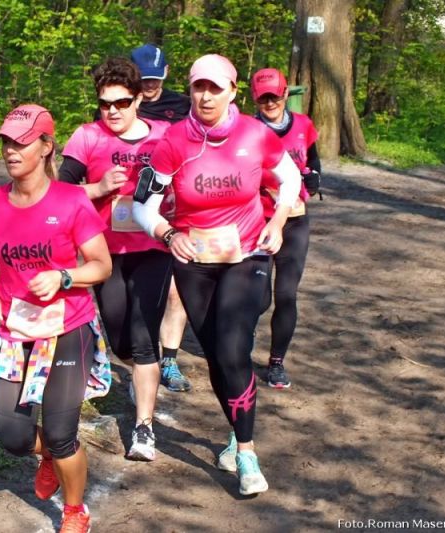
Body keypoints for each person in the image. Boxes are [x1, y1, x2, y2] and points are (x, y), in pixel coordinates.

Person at [133, 54, 301, 495]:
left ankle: (246, 453)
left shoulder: (255, 133)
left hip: (247, 255)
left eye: (215, 88)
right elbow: (143, 205)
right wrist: (168, 233)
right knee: (215, 355)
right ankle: (236, 431)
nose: (205, 96)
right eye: (198, 87)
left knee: (232, 347)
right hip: (194, 260)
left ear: (232, 91)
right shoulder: (173, 141)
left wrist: (277, 220)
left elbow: (290, 179)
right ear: (190, 90)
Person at [0, 104, 112, 533]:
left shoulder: (72, 201)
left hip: (67, 326)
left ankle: (74, 511)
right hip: (16, 331)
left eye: (21, 142)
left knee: (60, 431)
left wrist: (63, 276)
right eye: (5, 143)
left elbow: (102, 265)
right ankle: (48, 454)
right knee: (14, 438)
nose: (10, 151)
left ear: (47, 146)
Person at [59, 57, 173, 462]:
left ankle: (144, 429)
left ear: (138, 99)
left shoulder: (164, 136)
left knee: (143, 339)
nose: (113, 111)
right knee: (120, 337)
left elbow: (188, 182)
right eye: (105, 103)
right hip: (104, 253)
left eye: (122, 102)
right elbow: (58, 192)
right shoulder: (87, 137)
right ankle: (139, 375)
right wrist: (98, 187)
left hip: (153, 248)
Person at [130, 43, 195, 394]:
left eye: (155, 78)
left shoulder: (183, 106)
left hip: (175, 206)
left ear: (167, 73)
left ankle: (168, 359)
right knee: (137, 293)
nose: (150, 85)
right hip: (131, 209)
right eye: (144, 79)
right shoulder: (122, 104)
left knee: (174, 291)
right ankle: (139, 357)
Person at [251, 68, 322, 389]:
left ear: (285, 94)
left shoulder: (303, 125)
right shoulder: (249, 130)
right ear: (255, 99)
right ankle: (245, 335)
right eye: (263, 98)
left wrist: (315, 177)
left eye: (275, 96)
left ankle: (277, 362)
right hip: (259, 220)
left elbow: (313, 160)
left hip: (294, 220)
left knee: (286, 295)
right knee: (258, 297)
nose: (270, 103)